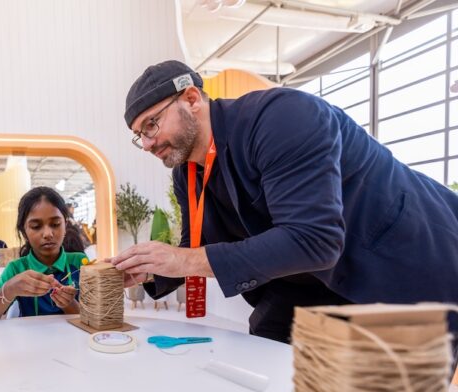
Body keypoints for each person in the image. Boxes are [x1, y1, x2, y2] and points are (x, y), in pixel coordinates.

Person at [111, 60, 458, 343]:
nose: (147, 143)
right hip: (300, 289)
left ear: (191, 99)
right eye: (139, 135)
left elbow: (315, 240)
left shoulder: (282, 117)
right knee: (270, 381)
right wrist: (148, 269)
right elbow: (194, 247)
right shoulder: (186, 175)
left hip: (399, 268)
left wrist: (183, 259)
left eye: (152, 125)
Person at [0, 187, 85, 321]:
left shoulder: (80, 263)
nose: (48, 234)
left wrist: (69, 303)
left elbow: (93, 319)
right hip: (29, 341)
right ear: (23, 232)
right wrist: (10, 289)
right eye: (36, 226)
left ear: (65, 225)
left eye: (55, 224)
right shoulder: (16, 269)